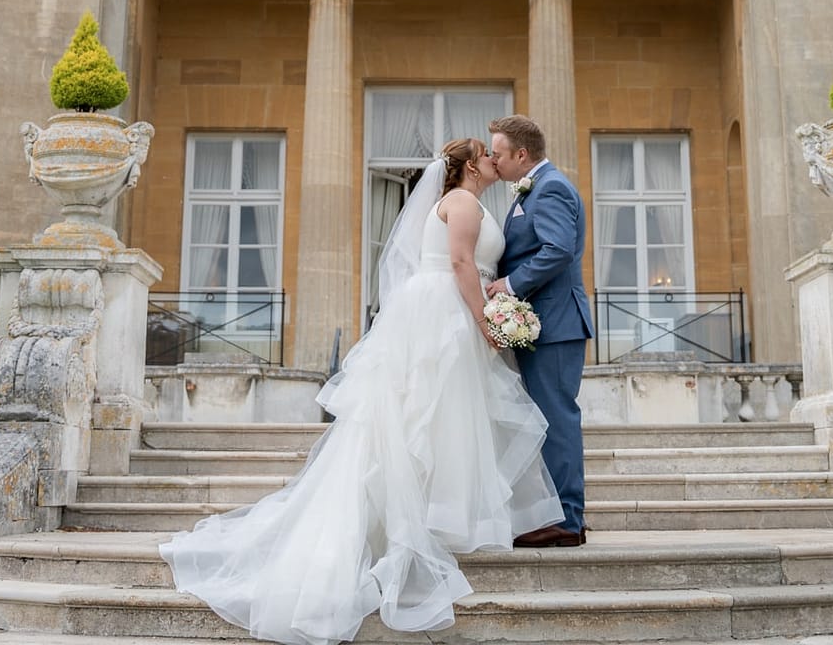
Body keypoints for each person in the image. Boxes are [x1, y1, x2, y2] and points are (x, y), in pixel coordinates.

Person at [159, 137, 562, 645]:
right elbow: (461, 263)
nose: (493, 161)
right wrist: (484, 320)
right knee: (432, 412)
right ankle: (422, 521)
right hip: (448, 309)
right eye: (486, 155)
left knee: (441, 416)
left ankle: (437, 516)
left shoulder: (468, 201)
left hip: (449, 306)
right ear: (469, 167)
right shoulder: (461, 201)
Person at [485, 114, 594, 548]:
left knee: (556, 418)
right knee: (545, 419)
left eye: (498, 153)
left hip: (556, 322)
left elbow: (558, 250)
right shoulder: (535, 187)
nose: (493, 160)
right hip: (543, 323)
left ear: (521, 154)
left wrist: (509, 285)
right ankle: (556, 514)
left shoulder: (550, 188)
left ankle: (567, 520)